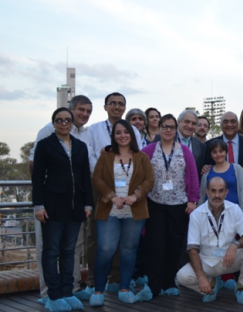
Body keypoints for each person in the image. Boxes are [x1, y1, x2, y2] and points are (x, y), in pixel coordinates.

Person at [28, 95, 92, 303]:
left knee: (69, 250)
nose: (64, 123)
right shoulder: (46, 141)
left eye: (67, 120)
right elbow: (36, 174)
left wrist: (88, 203)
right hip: (52, 207)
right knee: (50, 250)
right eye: (60, 120)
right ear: (54, 122)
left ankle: (68, 292)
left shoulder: (81, 143)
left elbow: (85, 177)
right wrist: (39, 204)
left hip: (75, 208)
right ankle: (51, 295)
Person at [89, 120, 155, 306]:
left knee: (129, 250)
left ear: (132, 135)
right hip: (110, 209)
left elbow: (150, 180)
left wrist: (136, 196)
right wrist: (111, 196)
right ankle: (98, 291)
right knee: (106, 249)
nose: (122, 135)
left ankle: (124, 288)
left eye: (126, 132)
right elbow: (97, 179)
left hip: (134, 210)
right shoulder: (106, 157)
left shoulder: (141, 157)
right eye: (118, 133)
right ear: (114, 136)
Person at [85, 92, 143, 295]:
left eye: (121, 104)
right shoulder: (93, 129)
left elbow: (141, 159)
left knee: (126, 241)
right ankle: (93, 282)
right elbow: (90, 156)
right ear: (105, 106)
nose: (117, 107)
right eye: (113, 103)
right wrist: (107, 184)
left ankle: (117, 280)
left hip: (129, 194)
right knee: (97, 238)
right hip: (101, 190)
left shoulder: (133, 130)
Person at [176, 177, 243, 305]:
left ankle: (242, 287)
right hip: (207, 262)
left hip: (229, 259)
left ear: (226, 192)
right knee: (182, 276)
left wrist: (235, 245)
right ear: (207, 192)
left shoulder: (234, 209)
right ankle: (212, 284)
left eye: (221, 191)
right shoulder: (197, 214)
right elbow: (192, 249)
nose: (217, 195)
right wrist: (201, 277)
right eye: (213, 191)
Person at [142, 114, 200, 298]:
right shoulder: (149, 150)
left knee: (174, 244)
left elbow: (192, 176)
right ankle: (154, 285)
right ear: (159, 128)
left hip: (179, 204)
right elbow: (140, 175)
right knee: (156, 245)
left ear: (176, 130)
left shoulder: (184, 150)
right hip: (155, 203)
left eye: (172, 127)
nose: (168, 130)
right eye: (164, 126)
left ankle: (168, 283)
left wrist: (193, 199)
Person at [198, 139, 243, 214]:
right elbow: (202, 195)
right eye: (214, 152)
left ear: (226, 152)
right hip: (210, 214)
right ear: (211, 155)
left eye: (221, 151)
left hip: (234, 213)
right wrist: (200, 212)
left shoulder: (237, 169)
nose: (218, 154)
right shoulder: (206, 172)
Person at [155, 110, 205, 181]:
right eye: (187, 122)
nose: (190, 126)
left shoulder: (200, 146)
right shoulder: (161, 138)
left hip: (189, 188)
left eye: (193, 123)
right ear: (178, 122)